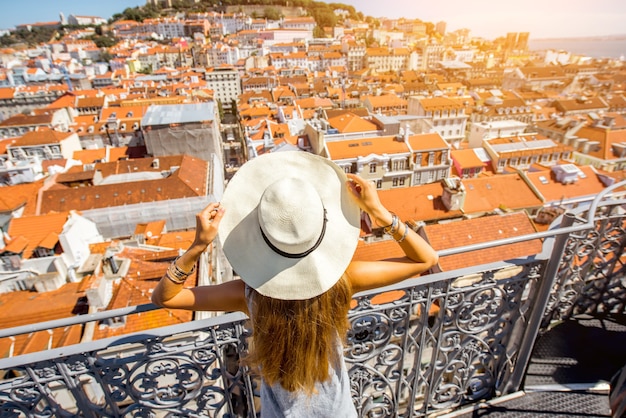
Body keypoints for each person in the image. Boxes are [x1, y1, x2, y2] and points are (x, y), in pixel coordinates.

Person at [152, 151, 438, 417]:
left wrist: (197, 246)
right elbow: (425, 260)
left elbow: (166, 298)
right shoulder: (343, 280)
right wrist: (380, 213)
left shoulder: (249, 294)